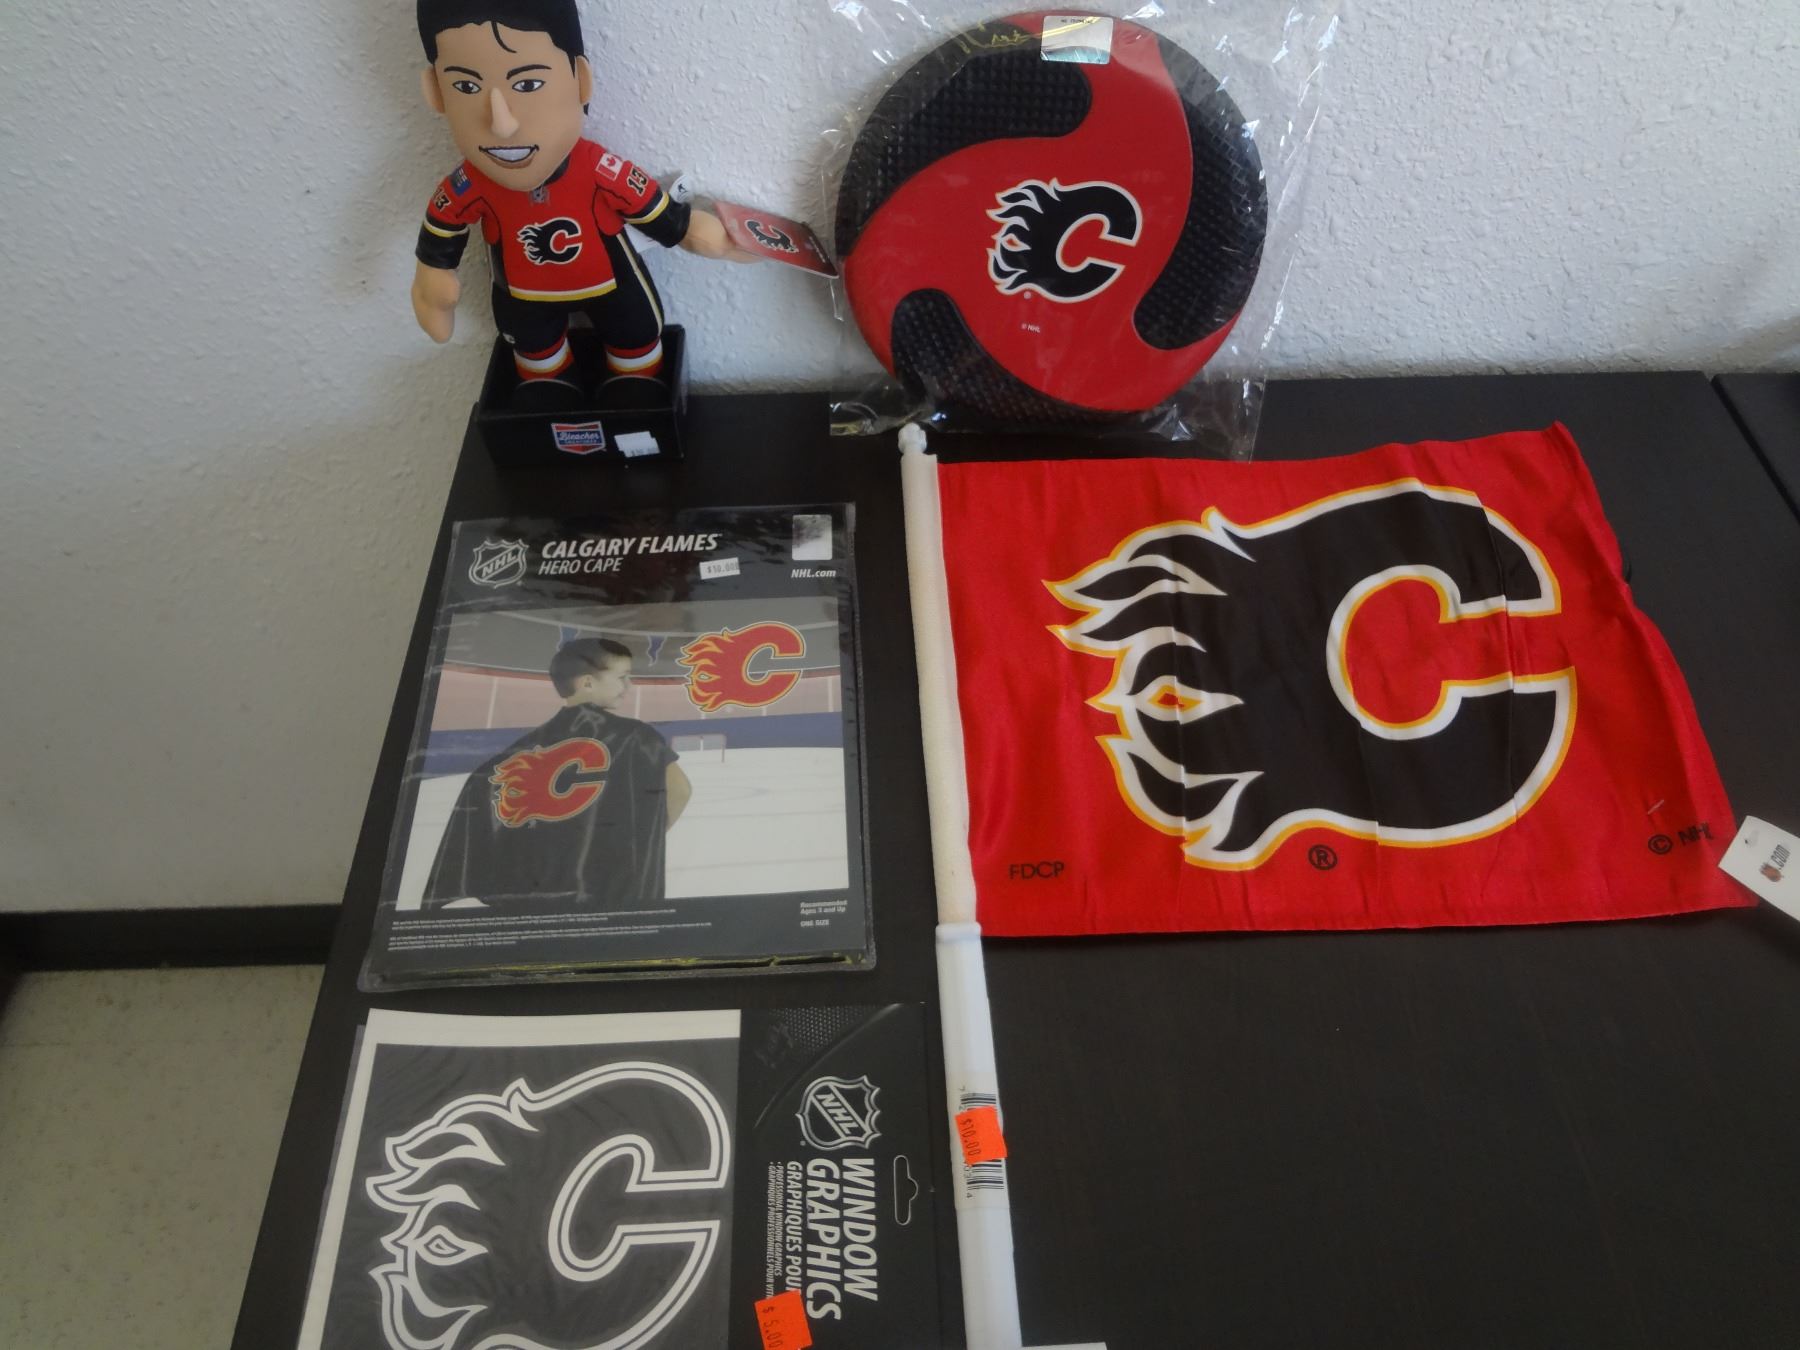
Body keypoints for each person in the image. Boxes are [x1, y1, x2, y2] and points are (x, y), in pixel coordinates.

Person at [410, 0, 754, 410]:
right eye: (467, 87)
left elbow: (658, 212)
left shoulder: (597, 168)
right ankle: (549, 384)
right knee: (534, 353)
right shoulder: (472, 182)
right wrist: (432, 275)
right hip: (523, 295)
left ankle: (635, 382)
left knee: (635, 334)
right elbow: (443, 224)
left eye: (528, 84)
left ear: (581, 80)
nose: (502, 123)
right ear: (436, 92)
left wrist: (700, 232)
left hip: (611, 284)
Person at [424, 638, 692, 909]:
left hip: (533, 914)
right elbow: (680, 790)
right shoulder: (636, 736)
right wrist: (643, 840)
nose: (628, 686)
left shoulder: (500, 763)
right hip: (611, 901)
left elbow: (468, 854)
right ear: (587, 683)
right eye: (622, 677)